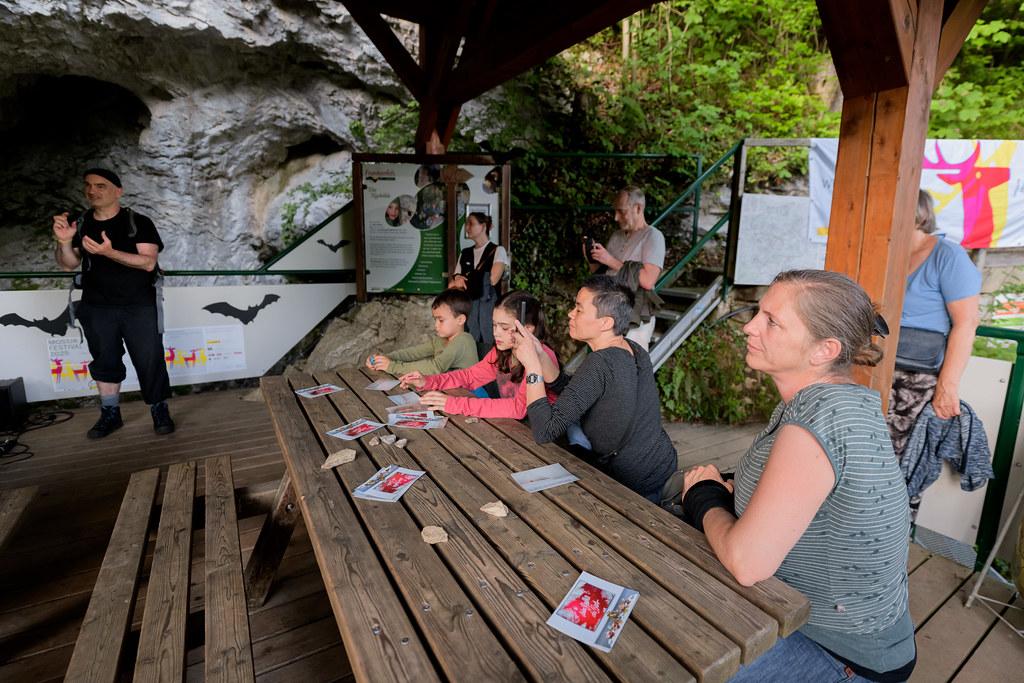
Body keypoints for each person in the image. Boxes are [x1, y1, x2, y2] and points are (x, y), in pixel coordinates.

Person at [680, 270, 915, 682]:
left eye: (772, 321)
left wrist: (703, 497)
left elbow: (747, 563)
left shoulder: (820, 418)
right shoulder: (832, 401)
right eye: (759, 313)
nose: (750, 326)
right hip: (803, 611)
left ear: (824, 350)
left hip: (841, 652)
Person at [512, 275, 677, 502]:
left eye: (579, 309)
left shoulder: (600, 363)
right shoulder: (633, 350)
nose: (570, 314)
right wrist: (539, 355)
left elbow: (545, 431)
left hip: (634, 487)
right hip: (661, 464)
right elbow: (576, 391)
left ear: (605, 323)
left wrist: (532, 368)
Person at [53, 168, 175, 438]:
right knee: (104, 359)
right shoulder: (81, 223)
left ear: (118, 191)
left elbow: (148, 262)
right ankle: (110, 413)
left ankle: (159, 409)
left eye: (101, 186)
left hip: (139, 304)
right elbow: (68, 264)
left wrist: (109, 252)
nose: (92, 190)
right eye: (88, 185)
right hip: (96, 306)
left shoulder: (138, 222)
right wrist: (64, 242)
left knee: (149, 358)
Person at [887, 190, 981, 459]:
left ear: (918, 214)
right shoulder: (884, 252)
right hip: (874, 365)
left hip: (916, 376)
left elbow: (966, 323)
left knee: (896, 459)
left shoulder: (948, 255)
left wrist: (947, 387)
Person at [399, 291, 559, 419]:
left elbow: (519, 408)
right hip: (514, 427)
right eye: (494, 325)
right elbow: (470, 376)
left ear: (528, 329)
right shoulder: (502, 351)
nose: (496, 333)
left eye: (504, 327)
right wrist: (427, 381)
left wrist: (454, 403)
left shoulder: (542, 357)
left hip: (543, 437)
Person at [587, 185, 665, 350]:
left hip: (636, 313)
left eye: (621, 211)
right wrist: (592, 257)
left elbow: (648, 280)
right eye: (615, 211)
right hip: (611, 309)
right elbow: (603, 274)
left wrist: (610, 260)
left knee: (630, 361)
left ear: (638, 208)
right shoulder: (616, 236)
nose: (616, 217)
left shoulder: (653, 236)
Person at [365, 288, 478, 376]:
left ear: (460, 320)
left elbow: (435, 367)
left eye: (441, 320)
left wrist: (392, 366)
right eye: (435, 320)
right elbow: (412, 353)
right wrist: (384, 359)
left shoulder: (463, 340)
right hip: (452, 390)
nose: (436, 325)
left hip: (470, 393)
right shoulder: (440, 341)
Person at [450, 212, 509, 357]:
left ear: (483, 226)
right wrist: (460, 279)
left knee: (489, 350)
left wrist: (465, 279)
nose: (467, 228)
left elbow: (493, 279)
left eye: (471, 223)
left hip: (489, 311)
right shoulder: (465, 253)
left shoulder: (497, 250)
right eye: (466, 224)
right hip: (468, 311)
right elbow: (453, 284)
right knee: (469, 350)